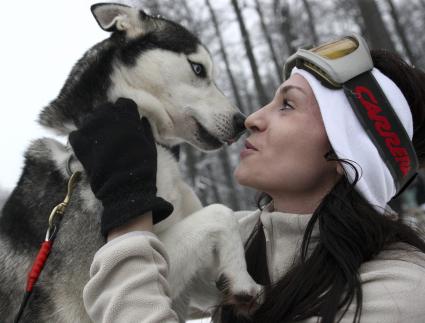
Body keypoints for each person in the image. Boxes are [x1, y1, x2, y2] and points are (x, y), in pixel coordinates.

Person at [70, 34, 425, 322]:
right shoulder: (243, 238)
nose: (252, 118)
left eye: (287, 105)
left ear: (346, 151)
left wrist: (128, 210)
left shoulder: (400, 291)